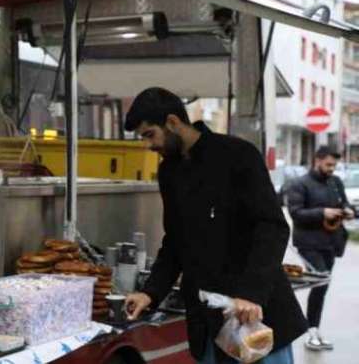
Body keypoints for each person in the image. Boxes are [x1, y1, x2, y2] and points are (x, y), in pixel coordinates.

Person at [123, 88, 307, 364]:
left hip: (256, 317)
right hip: (208, 320)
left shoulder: (238, 155)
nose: (148, 145)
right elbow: (175, 240)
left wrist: (251, 294)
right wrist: (150, 292)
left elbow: (272, 227)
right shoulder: (169, 172)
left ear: (172, 122)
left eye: (150, 134)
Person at [285, 145, 354, 351]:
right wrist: (323, 212)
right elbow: (296, 213)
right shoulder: (299, 184)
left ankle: (314, 329)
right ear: (317, 160)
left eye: (334, 165)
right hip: (308, 244)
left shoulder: (336, 182)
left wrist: (347, 211)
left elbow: (345, 204)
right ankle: (310, 331)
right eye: (328, 164)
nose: (332, 168)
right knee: (321, 282)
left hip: (331, 244)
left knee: (322, 287)